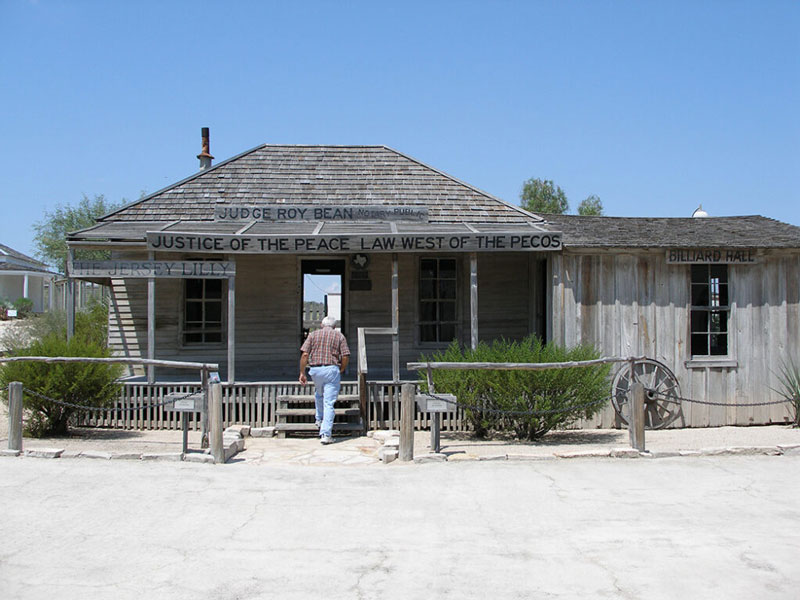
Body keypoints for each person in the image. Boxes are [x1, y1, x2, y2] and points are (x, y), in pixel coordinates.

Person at [298, 315, 350, 444]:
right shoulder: (339, 336)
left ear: (322, 325)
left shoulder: (313, 335)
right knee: (329, 402)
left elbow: (305, 354)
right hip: (331, 369)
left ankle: (319, 419)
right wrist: (342, 368)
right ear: (334, 326)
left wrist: (302, 372)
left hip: (315, 370)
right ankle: (326, 434)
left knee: (319, 393)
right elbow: (345, 355)